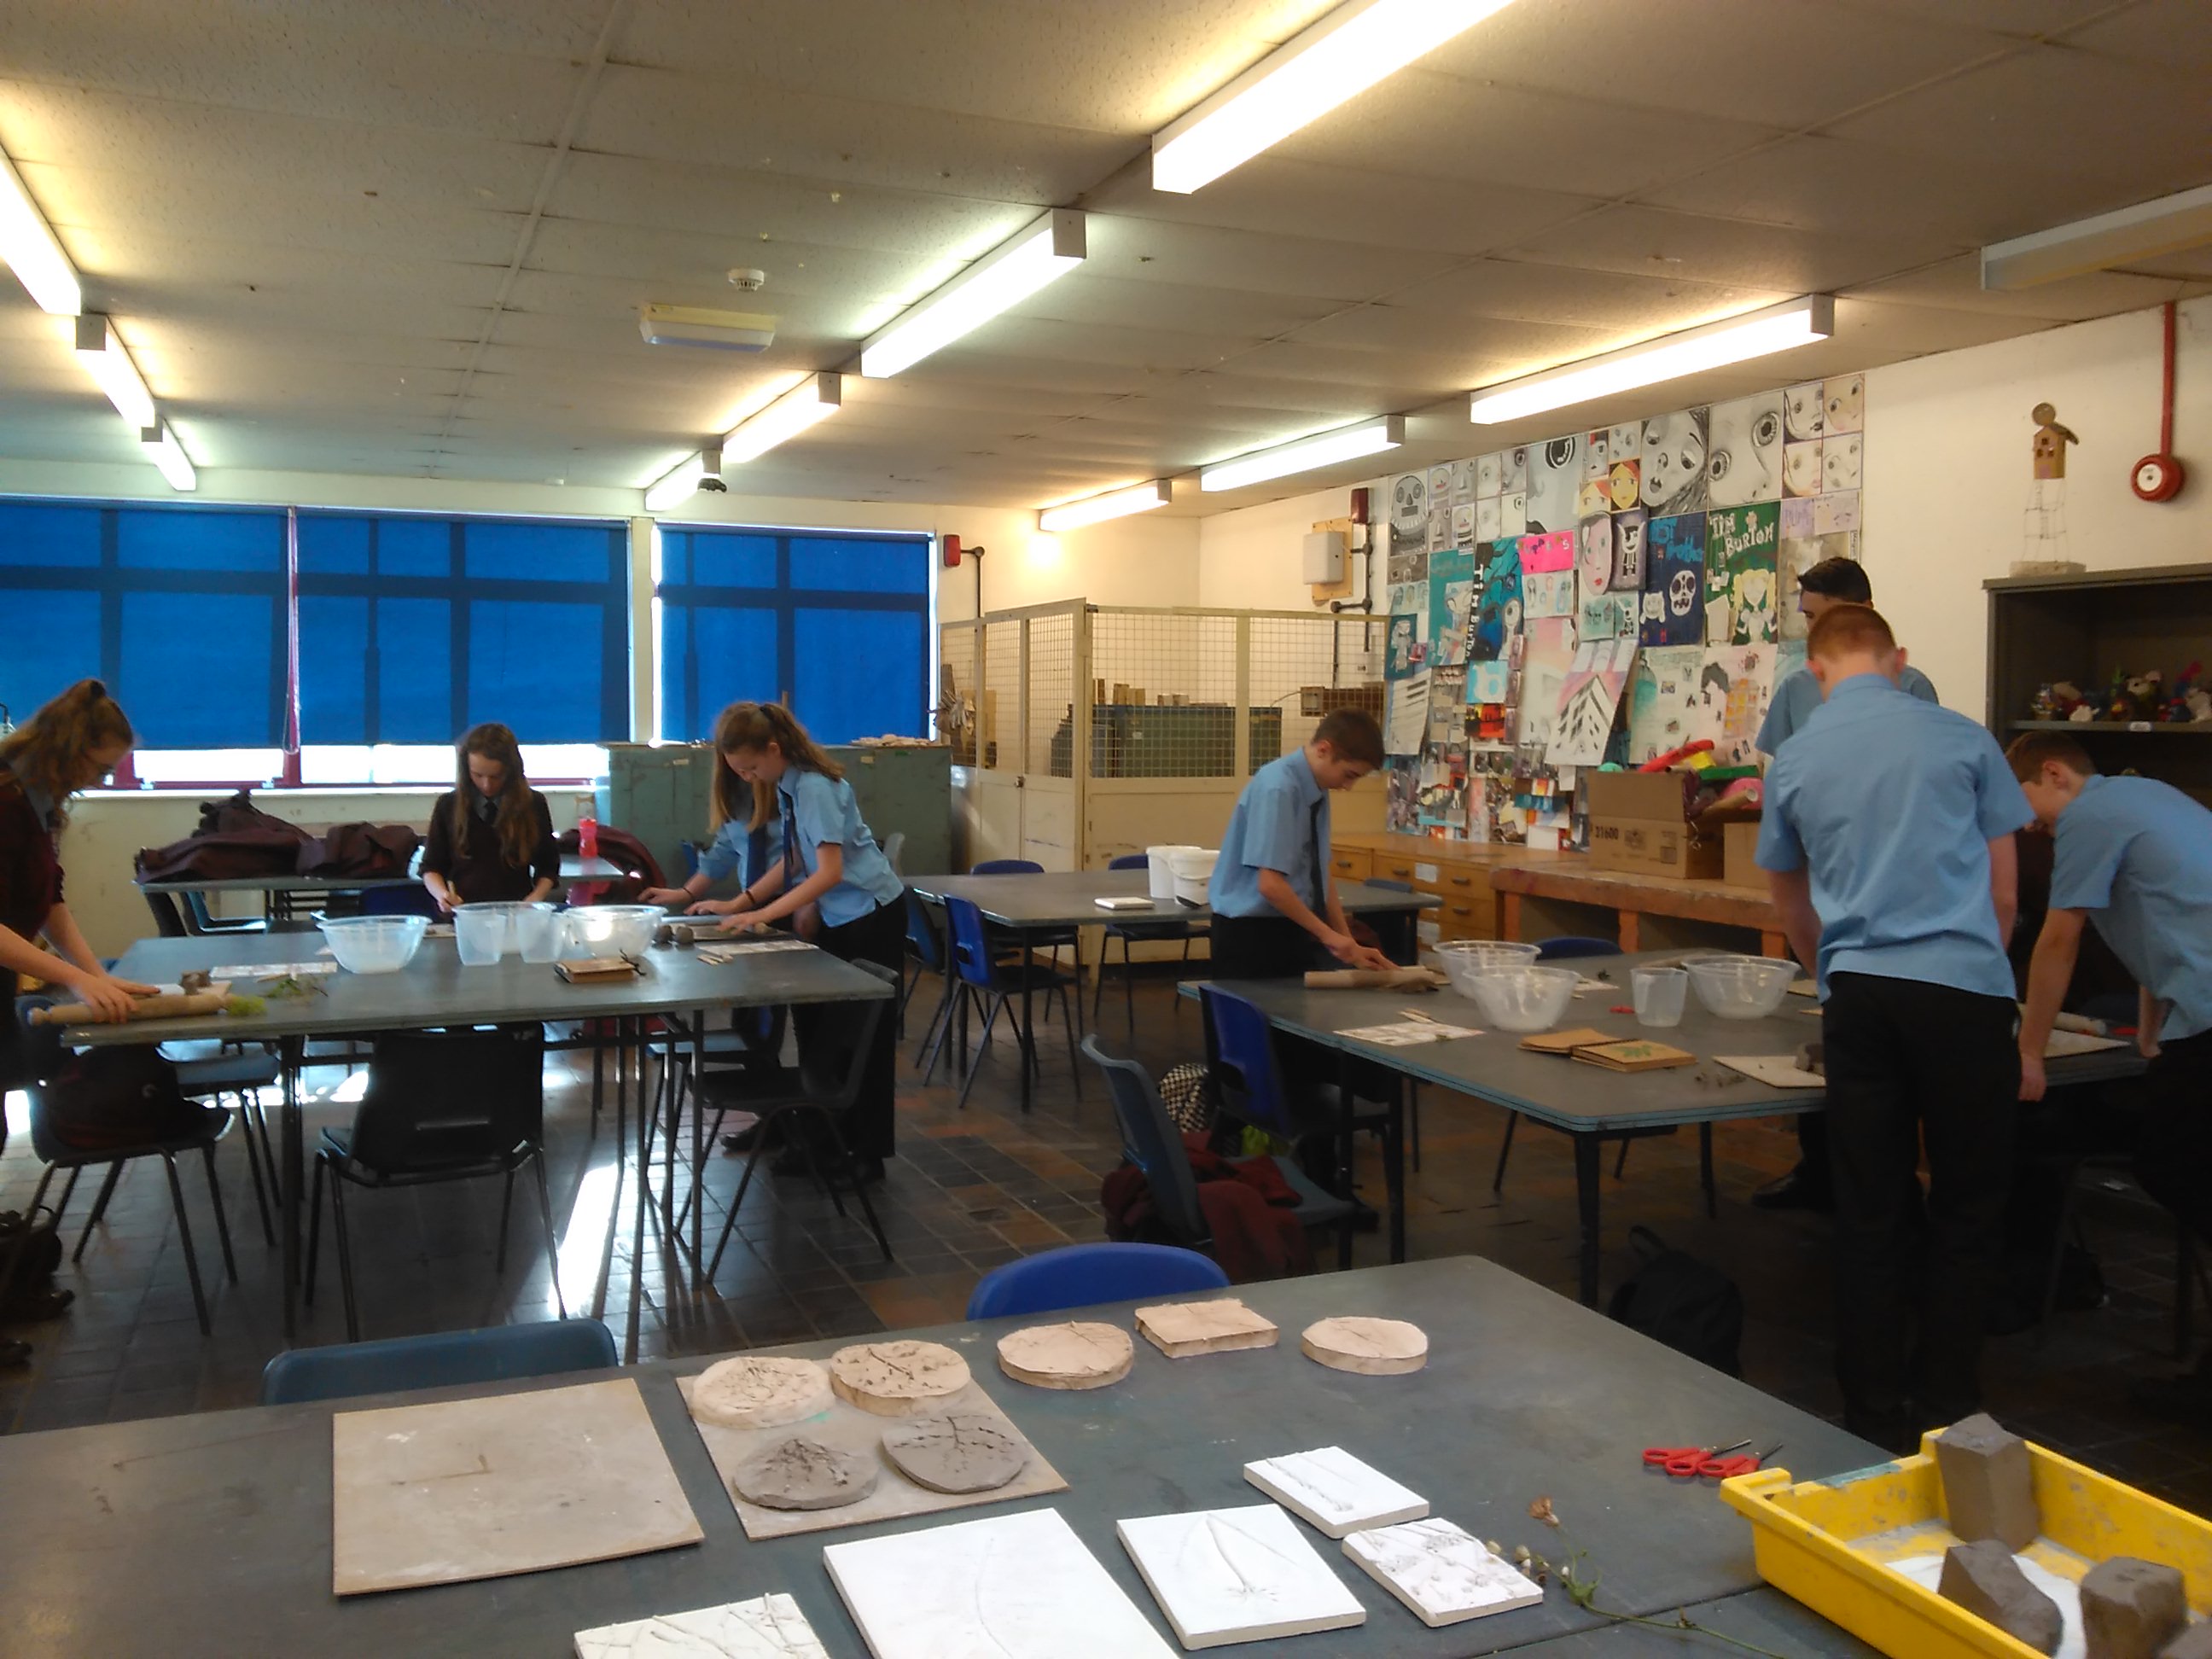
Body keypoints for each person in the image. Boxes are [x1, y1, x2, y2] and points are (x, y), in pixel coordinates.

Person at [1756, 603, 2030, 1452]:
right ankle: (1949, 1400)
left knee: (1868, 1204)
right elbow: (2006, 894)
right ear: (1898, 658)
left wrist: (1830, 972)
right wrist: (1976, 970)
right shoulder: (1964, 738)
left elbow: (1789, 901)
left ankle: (1872, 1410)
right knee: (1969, 1202)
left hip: (1862, 995)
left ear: (1815, 672)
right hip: (1965, 991)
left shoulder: (1796, 758)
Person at [2008, 732, 2212, 1413]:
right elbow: (2165, 916)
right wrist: (2152, 1031)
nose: (2033, 827)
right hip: (2195, 1008)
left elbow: (2058, 939)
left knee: (2172, 1164)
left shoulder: (2089, 816)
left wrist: (2029, 1052)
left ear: (2055, 774)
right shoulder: (2147, 796)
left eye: (2030, 809)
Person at [1751, 556, 1941, 1214]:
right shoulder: (1797, 687)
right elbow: (1781, 783)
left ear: (1853, 609)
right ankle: (1820, 1170)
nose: (1808, 628)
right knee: (1824, 1024)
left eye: (1815, 614)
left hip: (1888, 883)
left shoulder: (1910, 686)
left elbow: (1920, 780)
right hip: (1818, 880)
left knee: (1883, 1043)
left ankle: (1887, 1186)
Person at [0, 680, 158, 1353]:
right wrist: (75, 980)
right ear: (66, 749)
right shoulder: (4, 800)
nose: (99, 780)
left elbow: (49, 900)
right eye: (97, 766)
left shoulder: (37, 802)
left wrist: (97, 976)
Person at [684, 702, 903, 1183]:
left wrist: (762, 914)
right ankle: (824, 1142)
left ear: (773, 749)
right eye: (739, 771)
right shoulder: (789, 784)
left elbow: (829, 872)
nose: (747, 778)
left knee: (859, 1040)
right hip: (842, 917)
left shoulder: (815, 787)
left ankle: (865, 1156)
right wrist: (741, 902)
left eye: (750, 767)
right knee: (821, 1036)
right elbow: (796, 859)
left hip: (870, 916)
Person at [1207, 708, 1393, 981]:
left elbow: (1320, 871)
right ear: (1324, 750)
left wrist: (1347, 941)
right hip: (1250, 934)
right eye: (1349, 775)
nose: (1348, 786)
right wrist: (1328, 935)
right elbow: (1270, 885)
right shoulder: (1278, 788)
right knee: (1257, 1008)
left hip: (1290, 924)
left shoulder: (1317, 787)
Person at [419, 723, 560, 911]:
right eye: (478, 775)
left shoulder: (533, 804)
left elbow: (548, 865)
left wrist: (535, 898)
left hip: (517, 913)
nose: (486, 785)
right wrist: (442, 895)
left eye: (496, 776)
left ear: (511, 771)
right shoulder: (448, 805)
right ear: (466, 770)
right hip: (464, 913)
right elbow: (431, 867)